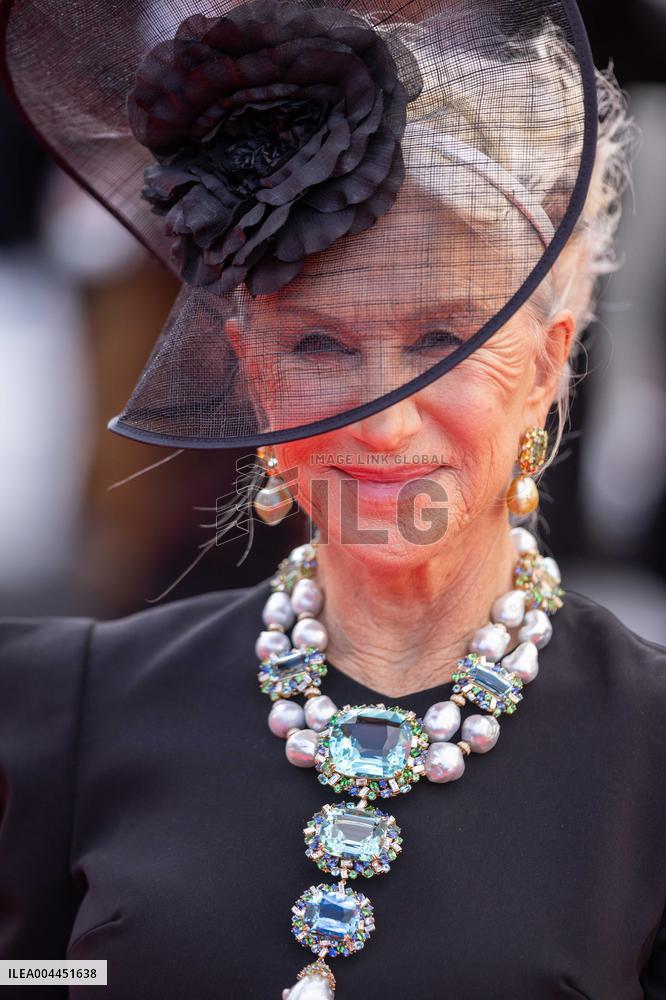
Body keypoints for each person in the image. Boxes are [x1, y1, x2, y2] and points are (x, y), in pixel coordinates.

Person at [1, 1, 665, 997]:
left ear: (544, 367)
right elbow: (31, 979)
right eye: (320, 345)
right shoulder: (76, 711)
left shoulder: (647, 754)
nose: (384, 423)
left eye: (443, 342)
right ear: (252, 373)